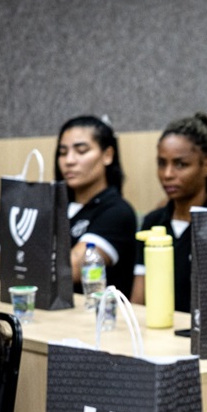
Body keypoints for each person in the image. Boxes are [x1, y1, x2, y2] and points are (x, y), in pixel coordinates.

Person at [132, 113, 207, 313]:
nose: (167, 174)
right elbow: (138, 301)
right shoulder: (153, 222)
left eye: (181, 164)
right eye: (162, 163)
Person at [55, 115, 137, 296]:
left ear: (107, 155)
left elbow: (70, 271)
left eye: (81, 151)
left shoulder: (117, 211)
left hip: (97, 318)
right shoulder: (54, 206)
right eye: (62, 152)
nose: (69, 160)